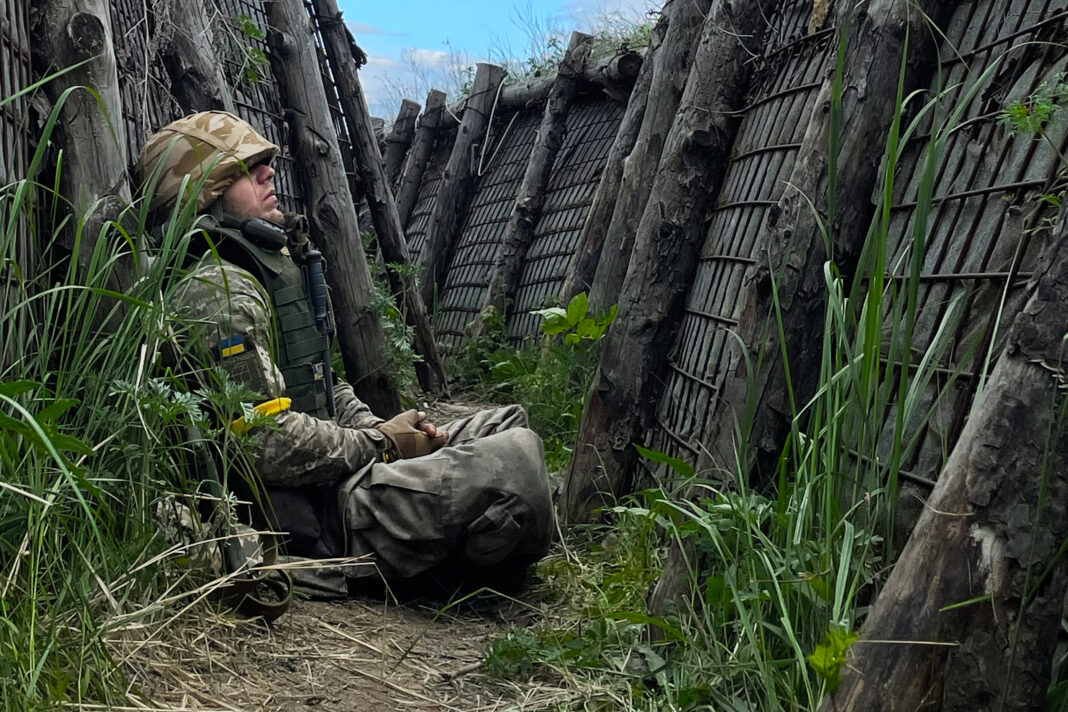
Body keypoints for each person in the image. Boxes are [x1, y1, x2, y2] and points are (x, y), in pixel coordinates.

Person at [137, 111, 553, 598]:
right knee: (517, 464)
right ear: (201, 195)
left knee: (507, 422)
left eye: (265, 164)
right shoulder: (220, 293)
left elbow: (319, 383)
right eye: (246, 170)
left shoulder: (256, 272)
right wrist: (383, 448)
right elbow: (264, 444)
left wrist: (377, 428)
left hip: (333, 473)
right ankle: (435, 564)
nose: (269, 173)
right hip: (316, 514)